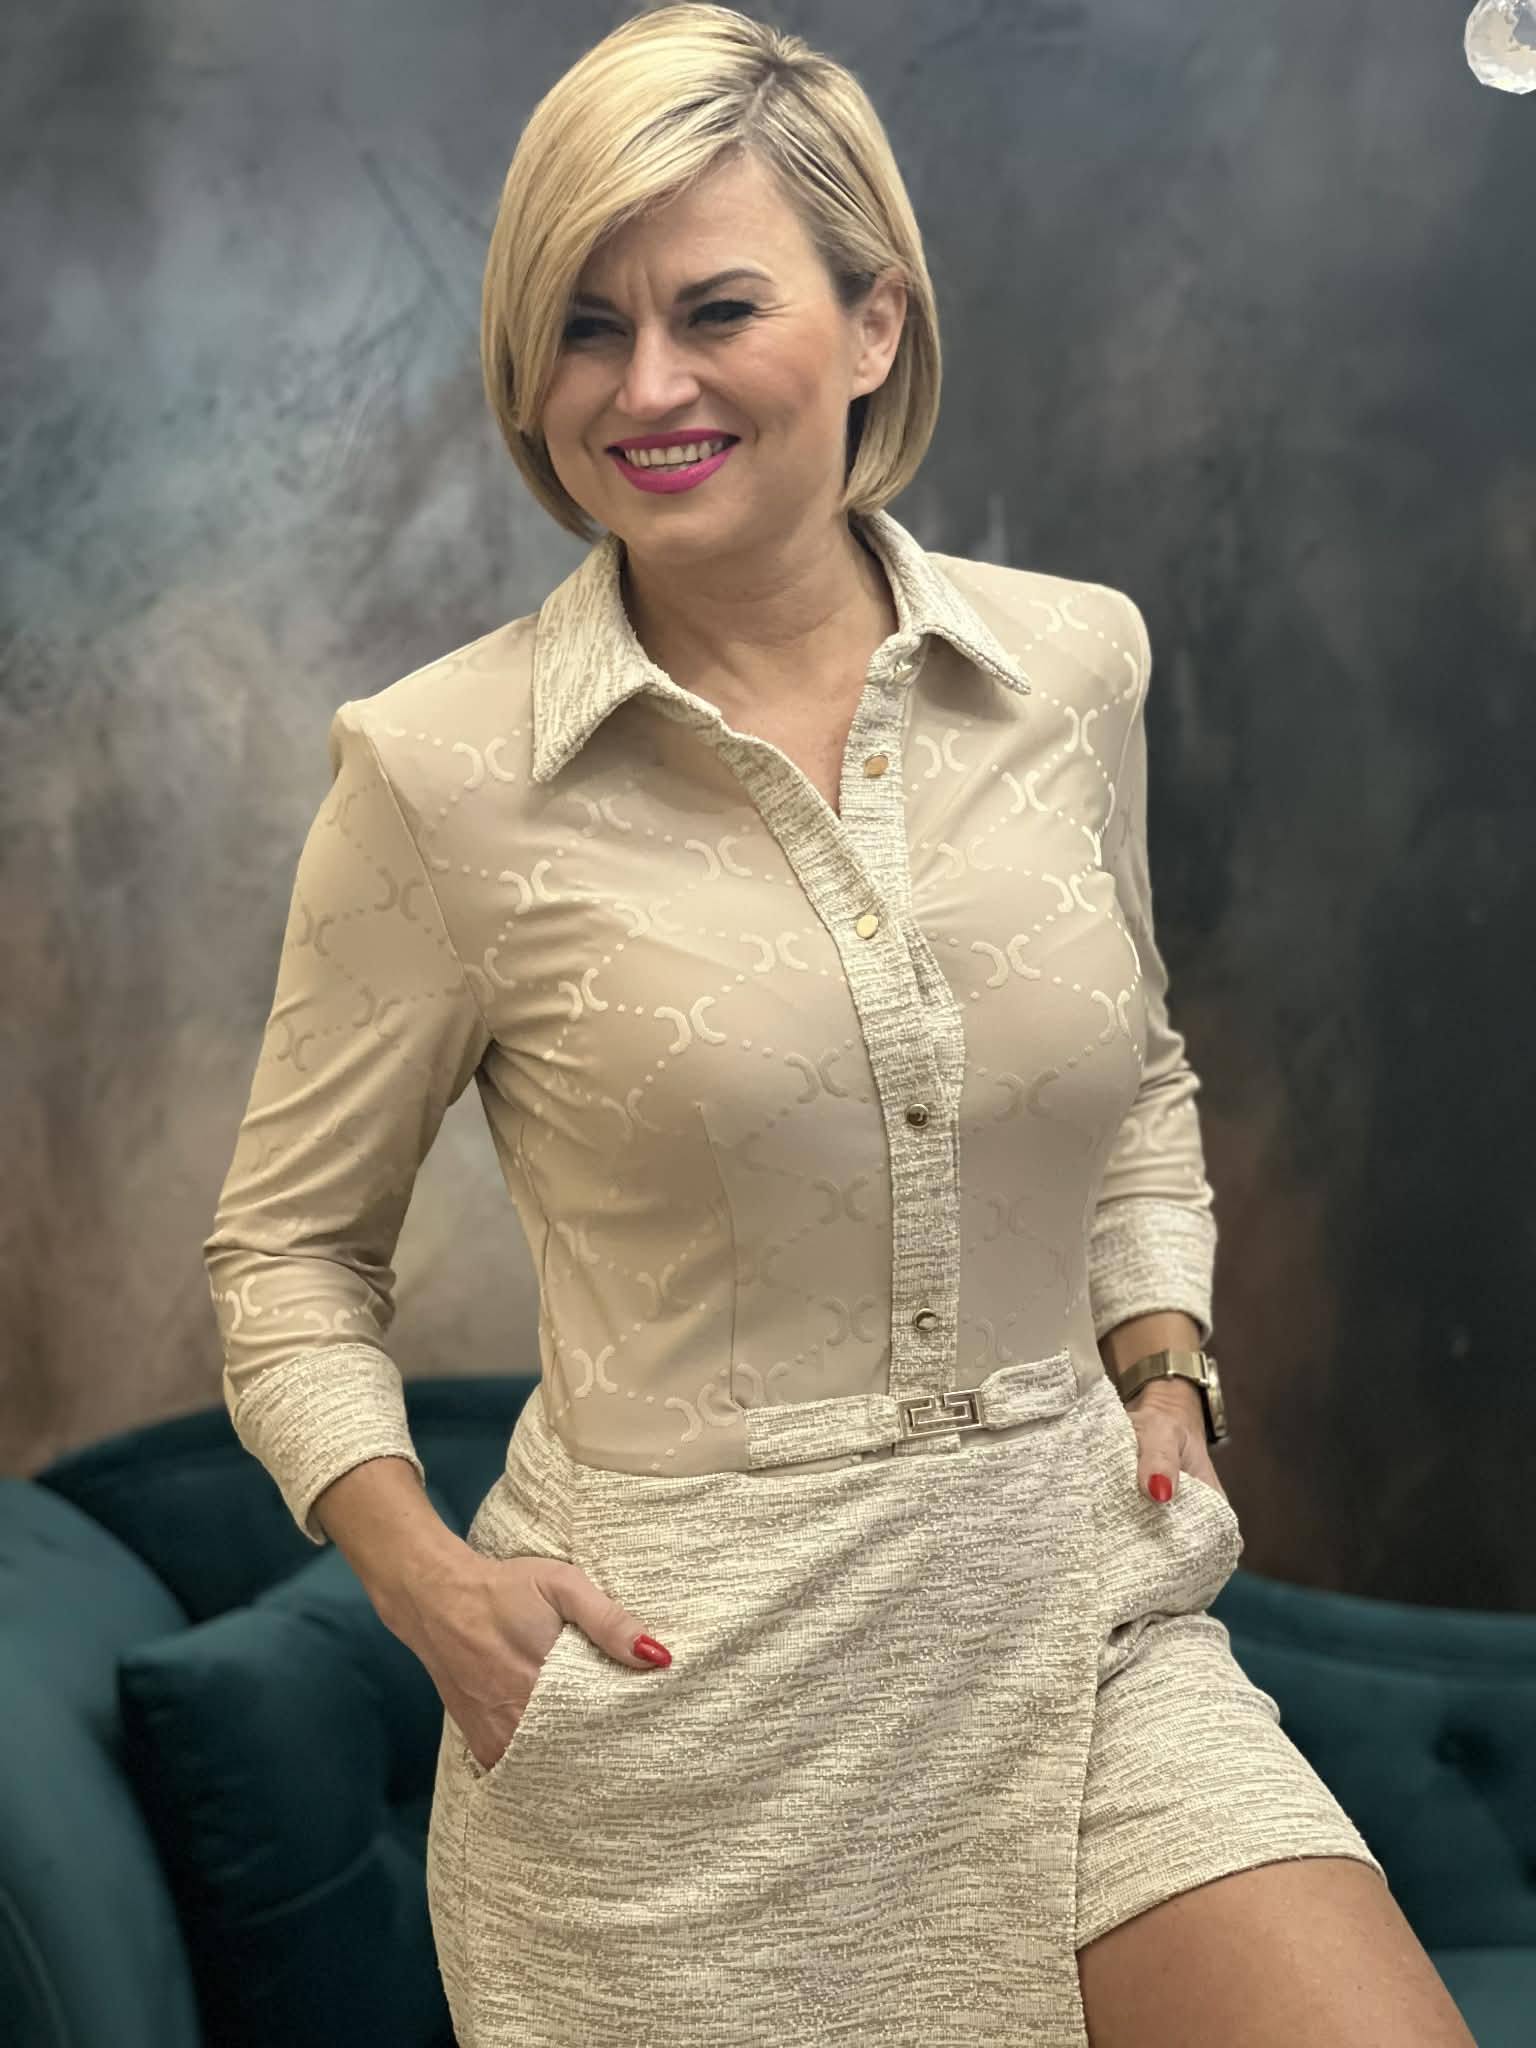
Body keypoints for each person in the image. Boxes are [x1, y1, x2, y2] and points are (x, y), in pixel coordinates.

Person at [201, 7, 1476, 2045]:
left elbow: (1133, 1069)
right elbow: (284, 1256)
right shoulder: (435, 773)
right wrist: (427, 1585)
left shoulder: (1075, 666)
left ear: (876, 321)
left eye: (715, 309)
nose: (647, 386)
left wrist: (1164, 1355)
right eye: (585, 328)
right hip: (682, 1720)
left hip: (1077, 1620)